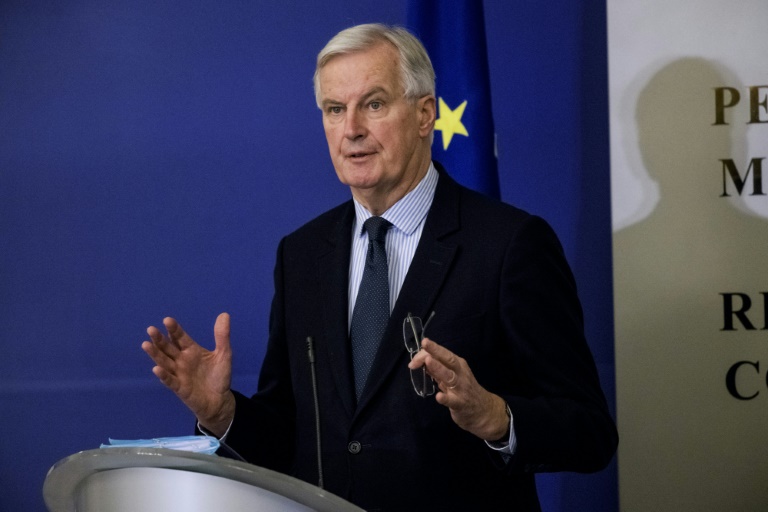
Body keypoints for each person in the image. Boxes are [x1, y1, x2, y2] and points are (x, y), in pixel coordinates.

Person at [142, 23, 617, 511]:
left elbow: (590, 431)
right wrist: (222, 414)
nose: (351, 129)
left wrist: (496, 417)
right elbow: (294, 438)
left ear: (424, 114)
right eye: (334, 109)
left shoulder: (508, 244)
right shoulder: (301, 254)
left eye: (373, 104)